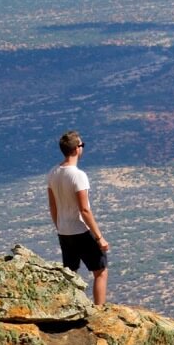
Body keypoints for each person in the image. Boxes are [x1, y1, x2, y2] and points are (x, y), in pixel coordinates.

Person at [47, 130, 110, 305]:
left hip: (64, 230)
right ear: (76, 149)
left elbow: (52, 205)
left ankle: (68, 307)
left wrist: (59, 226)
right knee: (100, 271)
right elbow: (84, 209)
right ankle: (100, 311)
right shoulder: (78, 175)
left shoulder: (53, 173)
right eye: (82, 145)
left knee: (71, 272)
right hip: (81, 229)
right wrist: (99, 237)